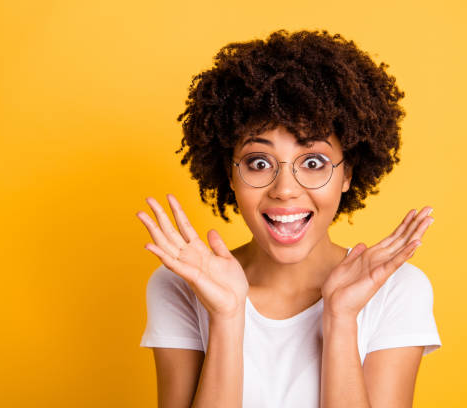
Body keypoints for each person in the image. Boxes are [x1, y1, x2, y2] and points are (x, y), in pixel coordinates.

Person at [136, 29, 441, 408]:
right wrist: (228, 318)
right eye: (258, 162)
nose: (285, 190)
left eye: (313, 163)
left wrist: (341, 321)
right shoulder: (181, 285)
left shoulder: (397, 290)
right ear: (230, 173)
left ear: (347, 175)